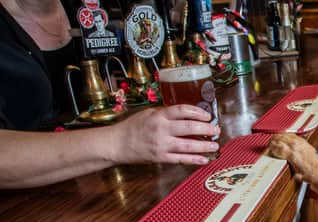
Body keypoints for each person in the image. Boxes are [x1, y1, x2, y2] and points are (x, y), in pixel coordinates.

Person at [0, 0, 220, 189]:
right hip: (28, 220)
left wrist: (180, 21)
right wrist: (121, 141)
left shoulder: (87, 7)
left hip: (108, 185)